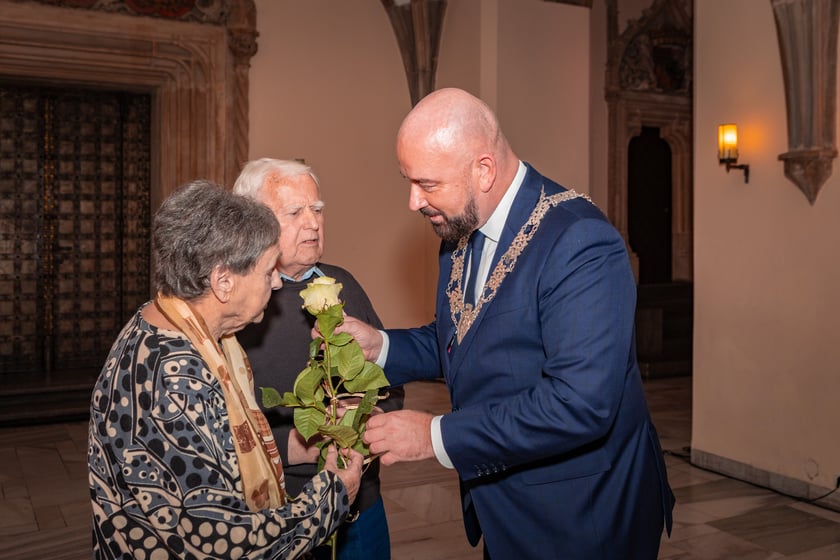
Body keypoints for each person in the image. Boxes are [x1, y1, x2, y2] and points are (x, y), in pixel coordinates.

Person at [338, 88, 675, 559]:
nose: (413, 201)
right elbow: (464, 340)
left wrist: (434, 435)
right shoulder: (458, 230)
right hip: (506, 501)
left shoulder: (580, 241)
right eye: (408, 181)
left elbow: (580, 403)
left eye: (428, 184)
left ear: (484, 169)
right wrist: (380, 348)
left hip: (582, 514)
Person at [88, 180, 363, 560]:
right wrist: (333, 494)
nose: (278, 281)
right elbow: (224, 541)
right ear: (223, 281)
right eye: (268, 270)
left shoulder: (159, 323)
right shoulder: (177, 378)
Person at [233, 158, 404, 560]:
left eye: (318, 210)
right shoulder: (236, 308)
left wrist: (369, 419)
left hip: (361, 507)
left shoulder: (344, 286)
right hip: (281, 513)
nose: (312, 223)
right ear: (254, 224)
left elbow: (391, 379)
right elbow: (219, 436)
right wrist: (302, 444)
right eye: (295, 212)